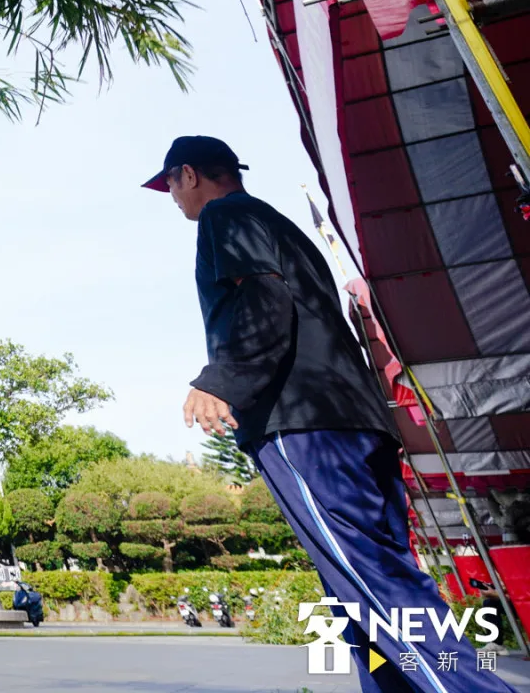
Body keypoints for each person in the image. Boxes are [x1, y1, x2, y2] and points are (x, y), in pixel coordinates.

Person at [153, 135, 511, 693]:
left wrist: (220, 381)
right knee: (367, 588)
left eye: (170, 184)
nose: (172, 198)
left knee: (371, 582)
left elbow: (262, 301)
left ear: (190, 174)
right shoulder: (281, 227)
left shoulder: (226, 215)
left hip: (306, 425)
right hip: (354, 421)